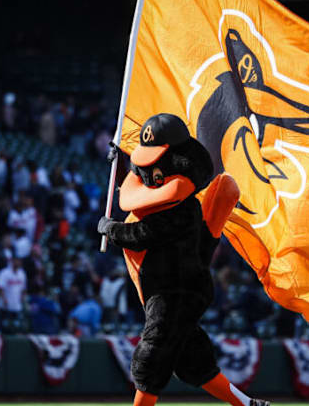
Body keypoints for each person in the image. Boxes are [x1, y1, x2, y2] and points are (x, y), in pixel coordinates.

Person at [97, 114, 268, 406]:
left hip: (177, 291)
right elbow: (136, 184)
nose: (150, 172)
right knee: (193, 360)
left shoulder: (182, 211)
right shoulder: (151, 189)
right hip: (168, 287)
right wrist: (117, 161)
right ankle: (246, 404)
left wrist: (111, 228)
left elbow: (143, 233)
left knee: (154, 352)